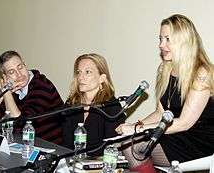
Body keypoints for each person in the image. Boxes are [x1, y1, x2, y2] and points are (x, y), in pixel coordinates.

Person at [115, 14, 214, 169]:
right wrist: (135, 124)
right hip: (176, 134)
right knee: (121, 145)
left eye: (167, 39)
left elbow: (184, 123)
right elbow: (161, 112)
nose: (161, 45)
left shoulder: (202, 73)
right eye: (160, 39)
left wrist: (137, 129)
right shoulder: (165, 68)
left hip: (198, 140)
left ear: (184, 42)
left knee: (131, 146)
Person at [62, 53, 126, 156]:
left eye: (88, 72)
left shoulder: (111, 107)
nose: (80, 78)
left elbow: (111, 148)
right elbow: (66, 143)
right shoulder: (72, 103)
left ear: (102, 78)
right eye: (79, 72)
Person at [0, 50, 64, 144]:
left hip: (51, 149)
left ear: (25, 65)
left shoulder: (42, 86)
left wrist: (6, 92)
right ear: (5, 77)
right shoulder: (13, 90)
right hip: (24, 148)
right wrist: (3, 93)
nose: (19, 74)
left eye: (20, 67)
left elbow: (21, 126)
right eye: (12, 72)